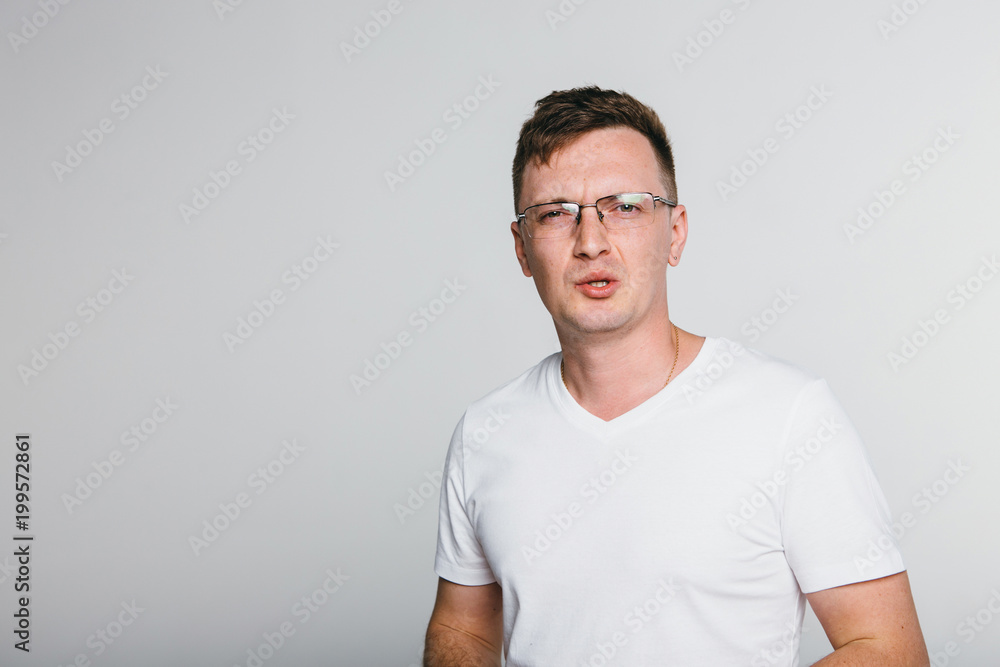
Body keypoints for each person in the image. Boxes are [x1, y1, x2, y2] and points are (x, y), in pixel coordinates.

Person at [423, 86, 929, 666]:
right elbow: (464, 632)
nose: (591, 242)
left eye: (626, 206)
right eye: (556, 214)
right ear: (521, 248)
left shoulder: (787, 414)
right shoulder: (485, 432)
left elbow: (890, 651)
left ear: (675, 232)